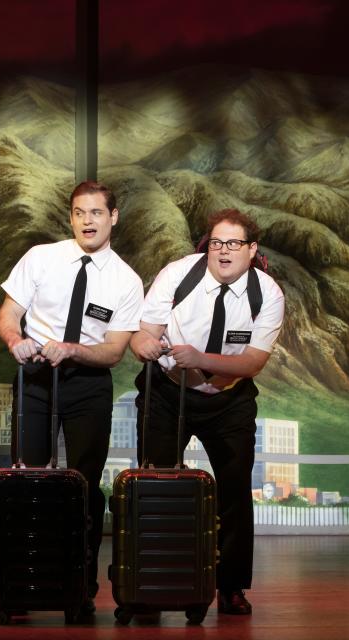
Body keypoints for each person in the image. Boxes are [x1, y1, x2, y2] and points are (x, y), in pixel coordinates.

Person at [0, 181, 143, 610]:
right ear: (71, 217)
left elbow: (114, 351)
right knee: (28, 479)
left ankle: (80, 582)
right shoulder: (41, 258)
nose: (87, 221)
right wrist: (13, 341)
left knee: (83, 485)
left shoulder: (125, 281)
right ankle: (23, 578)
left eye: (96, 213)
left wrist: (73, 349)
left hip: (87, 384)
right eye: (79, 213)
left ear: (113, 217)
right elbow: (8, 316)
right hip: (37, 378)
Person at [129, 208, 285, 615]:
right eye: (217, 242)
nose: (224, 251)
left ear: (251, 249)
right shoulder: (178, 274)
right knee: (156, 486)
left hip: (229, 401)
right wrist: (143, 344)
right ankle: (151, 583)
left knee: (233, 491)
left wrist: (200, 358)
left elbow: (252, 363)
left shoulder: (266, 294)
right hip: (168, 394)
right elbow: (145, 333)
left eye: (234, 243)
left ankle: (231, 587)